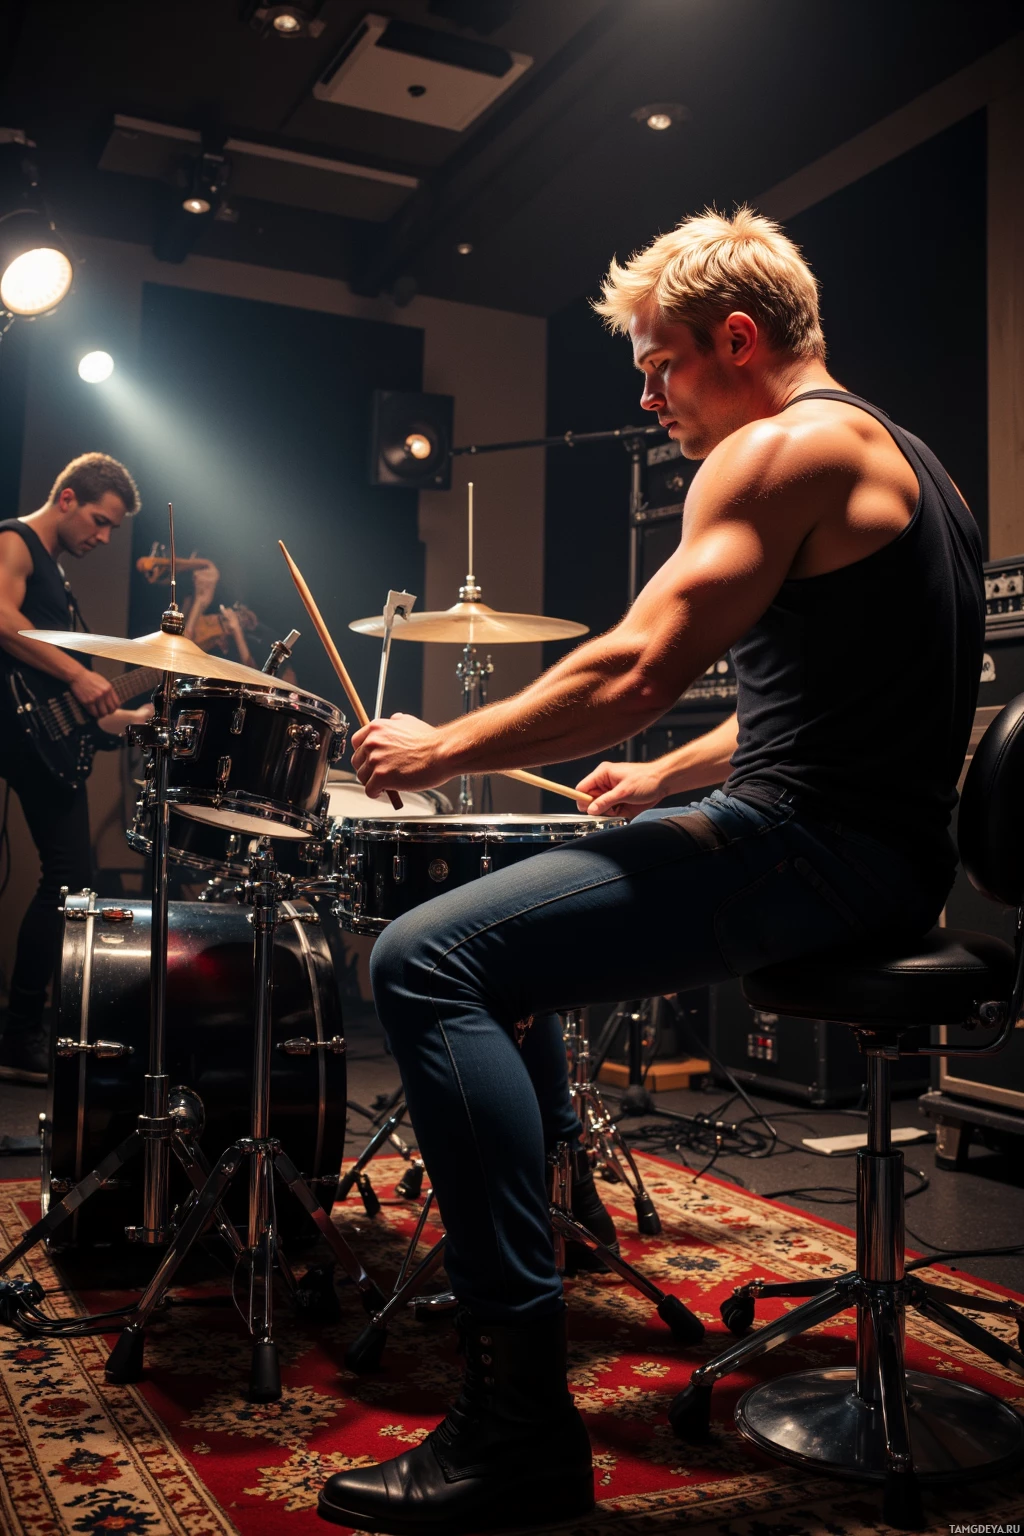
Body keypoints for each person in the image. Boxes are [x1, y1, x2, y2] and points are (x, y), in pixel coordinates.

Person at [319, 207, 984, 1534]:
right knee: (528, 937)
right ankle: (547, 1231)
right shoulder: (906, 461)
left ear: (738, 341)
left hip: (811, 854)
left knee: (424, 958)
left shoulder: (777, 450)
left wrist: (444, 746)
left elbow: (634, 668)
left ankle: (517, 1425)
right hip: (882, 855)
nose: (648, 394)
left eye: (659, 362)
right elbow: (839, 701)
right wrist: (669, 778)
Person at [0, 452, 147, 1083]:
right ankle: (21, 1033)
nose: (104, 537)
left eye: (114, 527)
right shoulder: (17, 540)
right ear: (66, 498)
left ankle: (27, 1028)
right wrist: (83, 674)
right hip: (15, 731)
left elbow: (68, 698)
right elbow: (2, 619)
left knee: (69, 880)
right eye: (99, 520)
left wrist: (124, 717)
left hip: (46, 732)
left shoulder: (57, 574)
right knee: (67, 878)